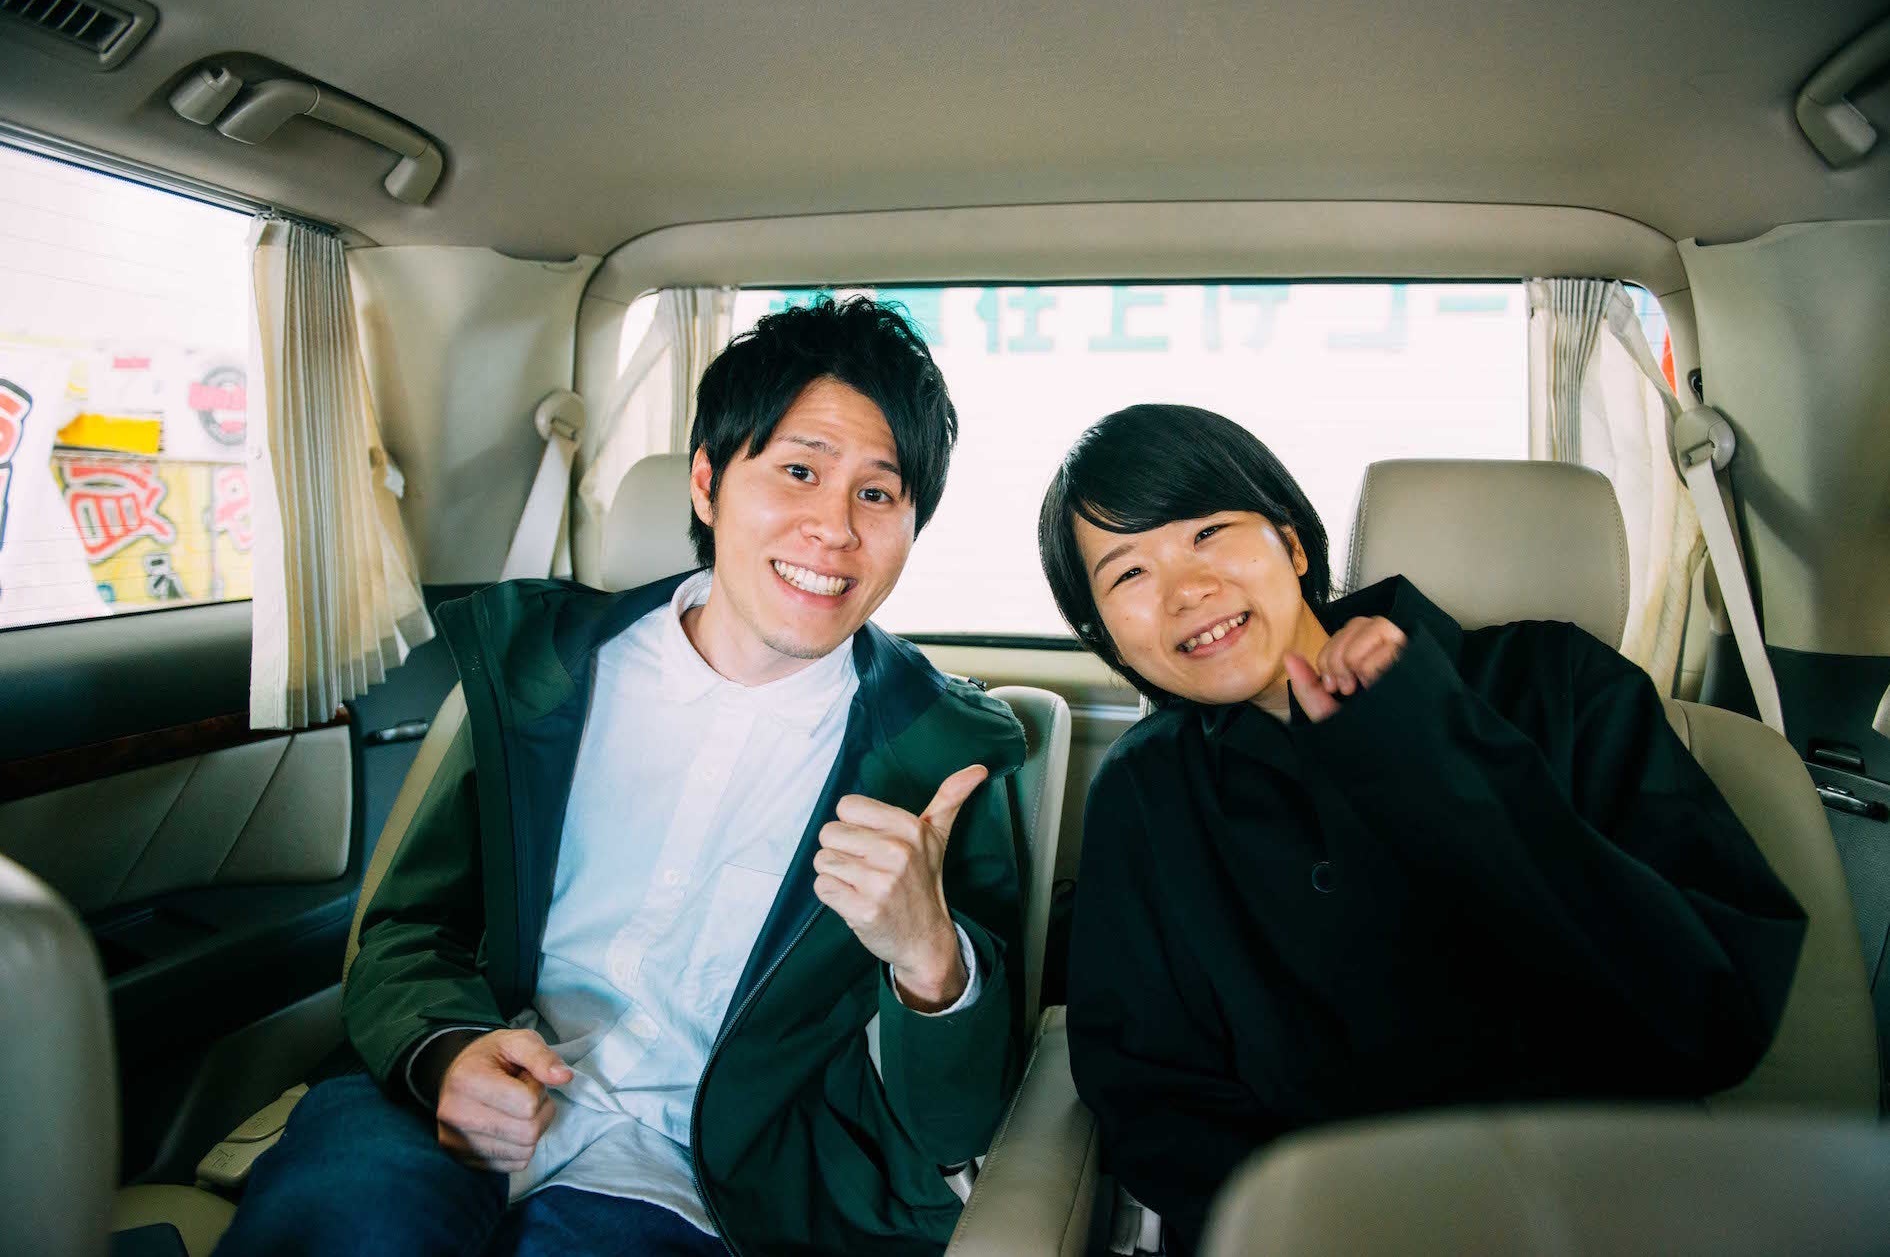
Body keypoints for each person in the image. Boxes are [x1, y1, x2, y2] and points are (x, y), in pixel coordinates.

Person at [217, 297, 1027, 1257]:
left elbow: (955, 1128)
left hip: (693, 1177)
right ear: (707, 482)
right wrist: (444, 1052)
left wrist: (930, 958)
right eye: (800, 471)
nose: (834, 528)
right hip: (444, 1103)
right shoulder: (541, 672)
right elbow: (409, 927)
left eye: (878, 494)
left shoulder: (942, 759)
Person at [1037, 404, 1807, 1256]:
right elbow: (1151, 1097)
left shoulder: (1563, 685)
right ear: (1106, 635)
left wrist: (1430, 748)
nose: (1186, 591)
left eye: (1208, 532)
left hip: (1596, 1217)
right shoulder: (1143, 791)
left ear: (1291, 541)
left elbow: (1713, 1019)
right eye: (1128, 574)